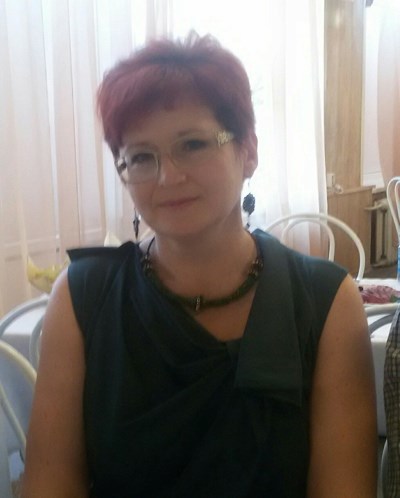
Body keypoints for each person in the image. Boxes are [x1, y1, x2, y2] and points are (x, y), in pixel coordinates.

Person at [21, 32, 377, 497]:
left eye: (192, 144)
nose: (169, 176)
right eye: (141, 157)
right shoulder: (83, 295)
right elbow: (51, 483)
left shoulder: (324, 302)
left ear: (248, 151)